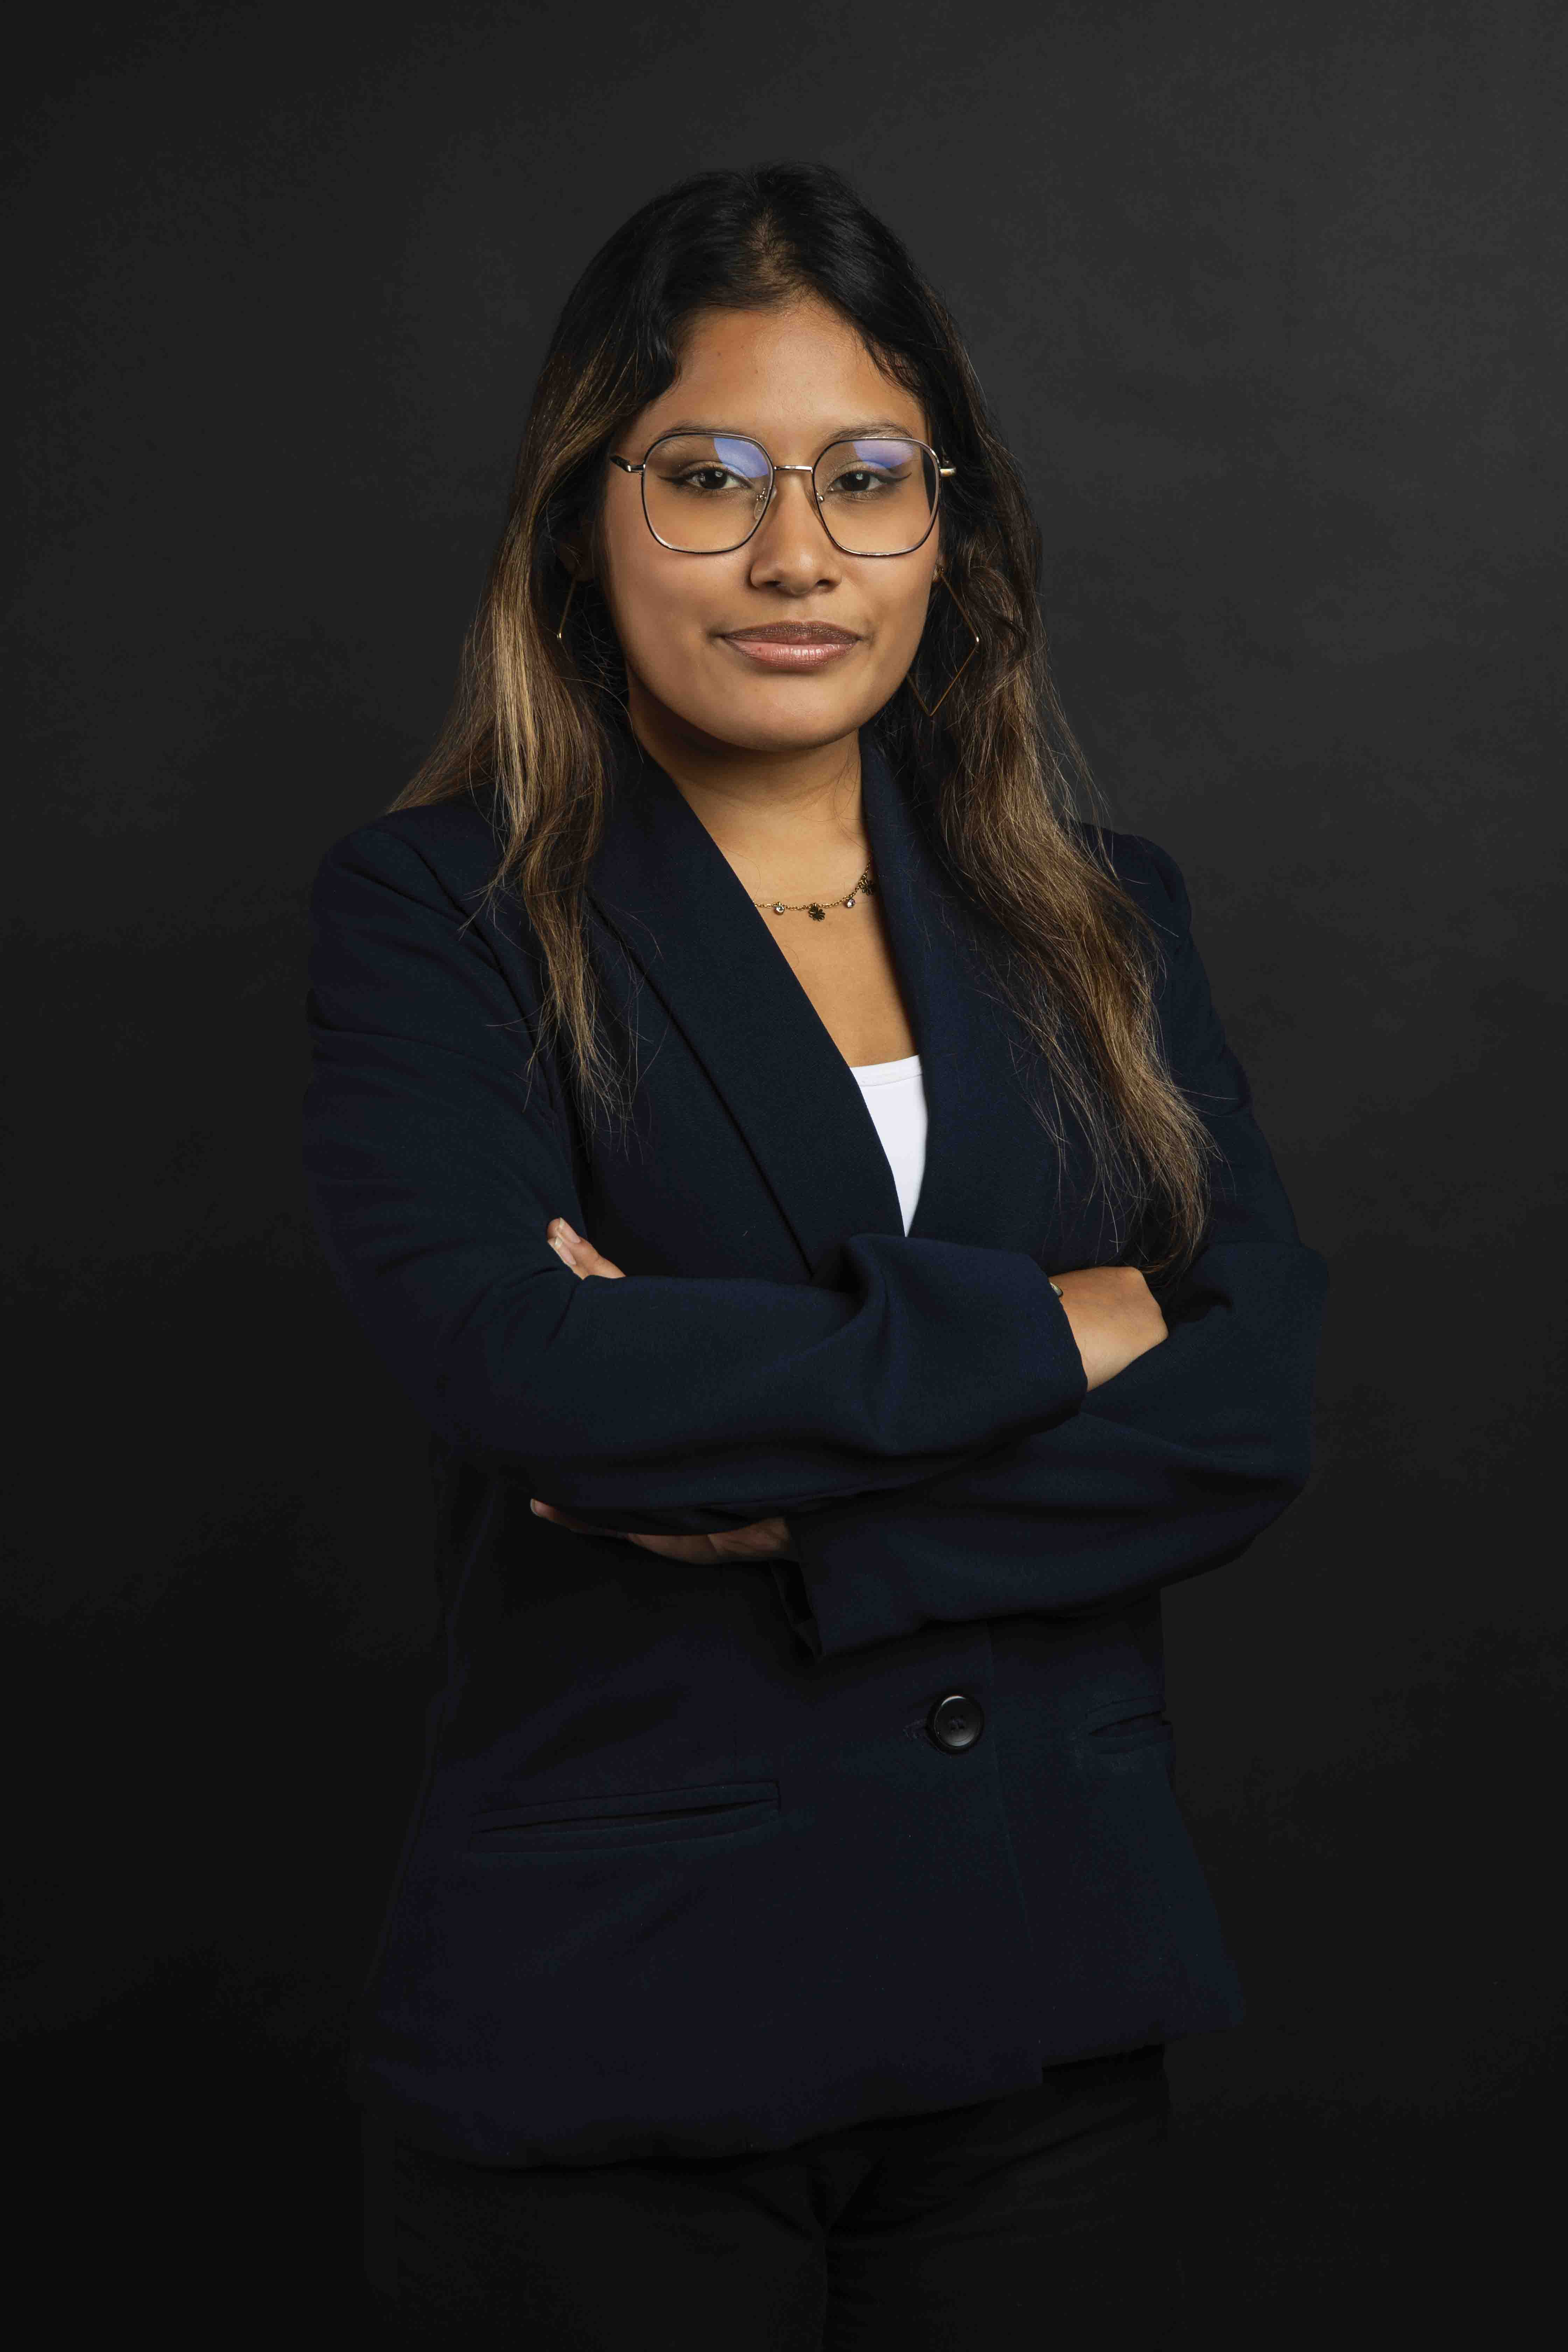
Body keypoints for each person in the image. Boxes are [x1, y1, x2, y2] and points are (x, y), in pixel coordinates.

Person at [303, 160, 1326, 2348]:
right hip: (622, 2039)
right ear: (585, 520)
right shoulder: (443, 914)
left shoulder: (1103, 915)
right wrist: (1073, 1322)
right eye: (709, 479)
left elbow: (1256, 1404)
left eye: (868, 479)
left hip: (1042, 2022)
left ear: (948, 528)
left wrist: (817, 1505)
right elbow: (529, 1377)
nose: (796, 555)